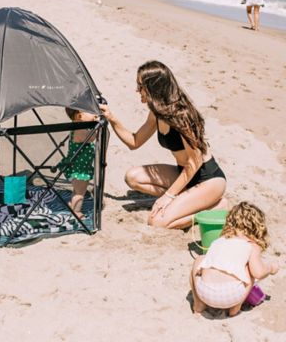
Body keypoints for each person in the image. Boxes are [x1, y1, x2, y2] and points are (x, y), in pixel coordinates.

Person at [100, 60, 227, 229]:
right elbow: (134, 142)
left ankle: (216, 207)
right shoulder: (157, 114)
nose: (137, 90)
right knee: (132, 177)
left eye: (140, 86)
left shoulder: (182, 116)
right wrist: (111, 118)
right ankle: (188, 201)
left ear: (153, 87)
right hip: (183, 174)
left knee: (156, 222)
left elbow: (194, 162)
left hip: (207, 179)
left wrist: (168, 195)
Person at [190, 202, 279, 317]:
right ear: (257, 227)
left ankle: (198, 306)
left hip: (205, 292)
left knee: (200, 259)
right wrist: (271, 268)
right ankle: (235, 309)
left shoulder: (219, 240)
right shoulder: (252, 245)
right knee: (249, 270)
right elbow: (258, 272)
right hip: (231, 296)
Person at [59, 108, 97, 219]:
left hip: (78, 166)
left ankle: (72, 204)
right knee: (80, 193)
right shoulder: (80, 130)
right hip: (80, 170)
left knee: (77, 190)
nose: (95, 115)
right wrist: (98, 127)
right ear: (79, 116)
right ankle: (76, 212)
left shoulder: (77, 127)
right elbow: (91, 138)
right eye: (91, 112)